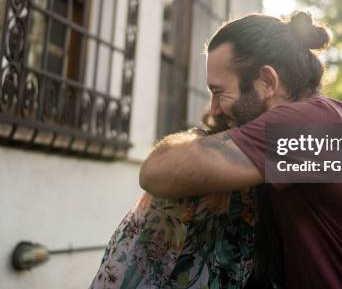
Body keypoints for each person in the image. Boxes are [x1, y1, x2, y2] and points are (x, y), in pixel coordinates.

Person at [140, 11, 342, 288]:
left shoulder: (308, 125)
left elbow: (156, 172)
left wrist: (202, 136)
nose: (214, 109)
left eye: (219, 92)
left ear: (267, 81)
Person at [90, 113, 256, 289]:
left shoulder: (279, 141)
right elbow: (149, 174)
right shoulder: (210, 146)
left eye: (220, 92)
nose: (214, 109)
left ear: (268, 85)